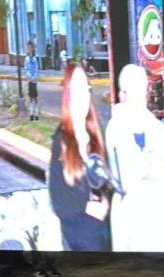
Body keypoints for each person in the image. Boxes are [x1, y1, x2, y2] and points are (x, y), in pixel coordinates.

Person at [106, 64, 164, 253]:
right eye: (134, 92)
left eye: (142, 92)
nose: (140, 98)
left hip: (159, 218)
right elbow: (127, 180)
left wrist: (156, 166)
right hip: (132, 219)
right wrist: (152, 164)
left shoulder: (156, 127)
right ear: (123, 95)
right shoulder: (116, 127)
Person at [48, 62, 111, 251]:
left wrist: (106, 201)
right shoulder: (61, 141)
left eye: (86, 88)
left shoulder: (96, 136)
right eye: (76, 88)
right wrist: (86, 207)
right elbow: (58, 201)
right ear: (67, 94)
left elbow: (106, 184)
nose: (82, 94)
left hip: (102, 231)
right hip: (79, 235)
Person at [24, 42, 40, 121]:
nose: (29, 49)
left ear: (33, 49)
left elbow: (37, 69)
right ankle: (31, 113)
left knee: (35, 97)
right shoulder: (26, 59)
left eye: (31, 47)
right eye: (28, 48)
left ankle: (36, 114)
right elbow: (26, 69)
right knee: (30, 97)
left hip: (34, 80)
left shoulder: (35, 59)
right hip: (29, 80)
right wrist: (29, 76)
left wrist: (34, 77)